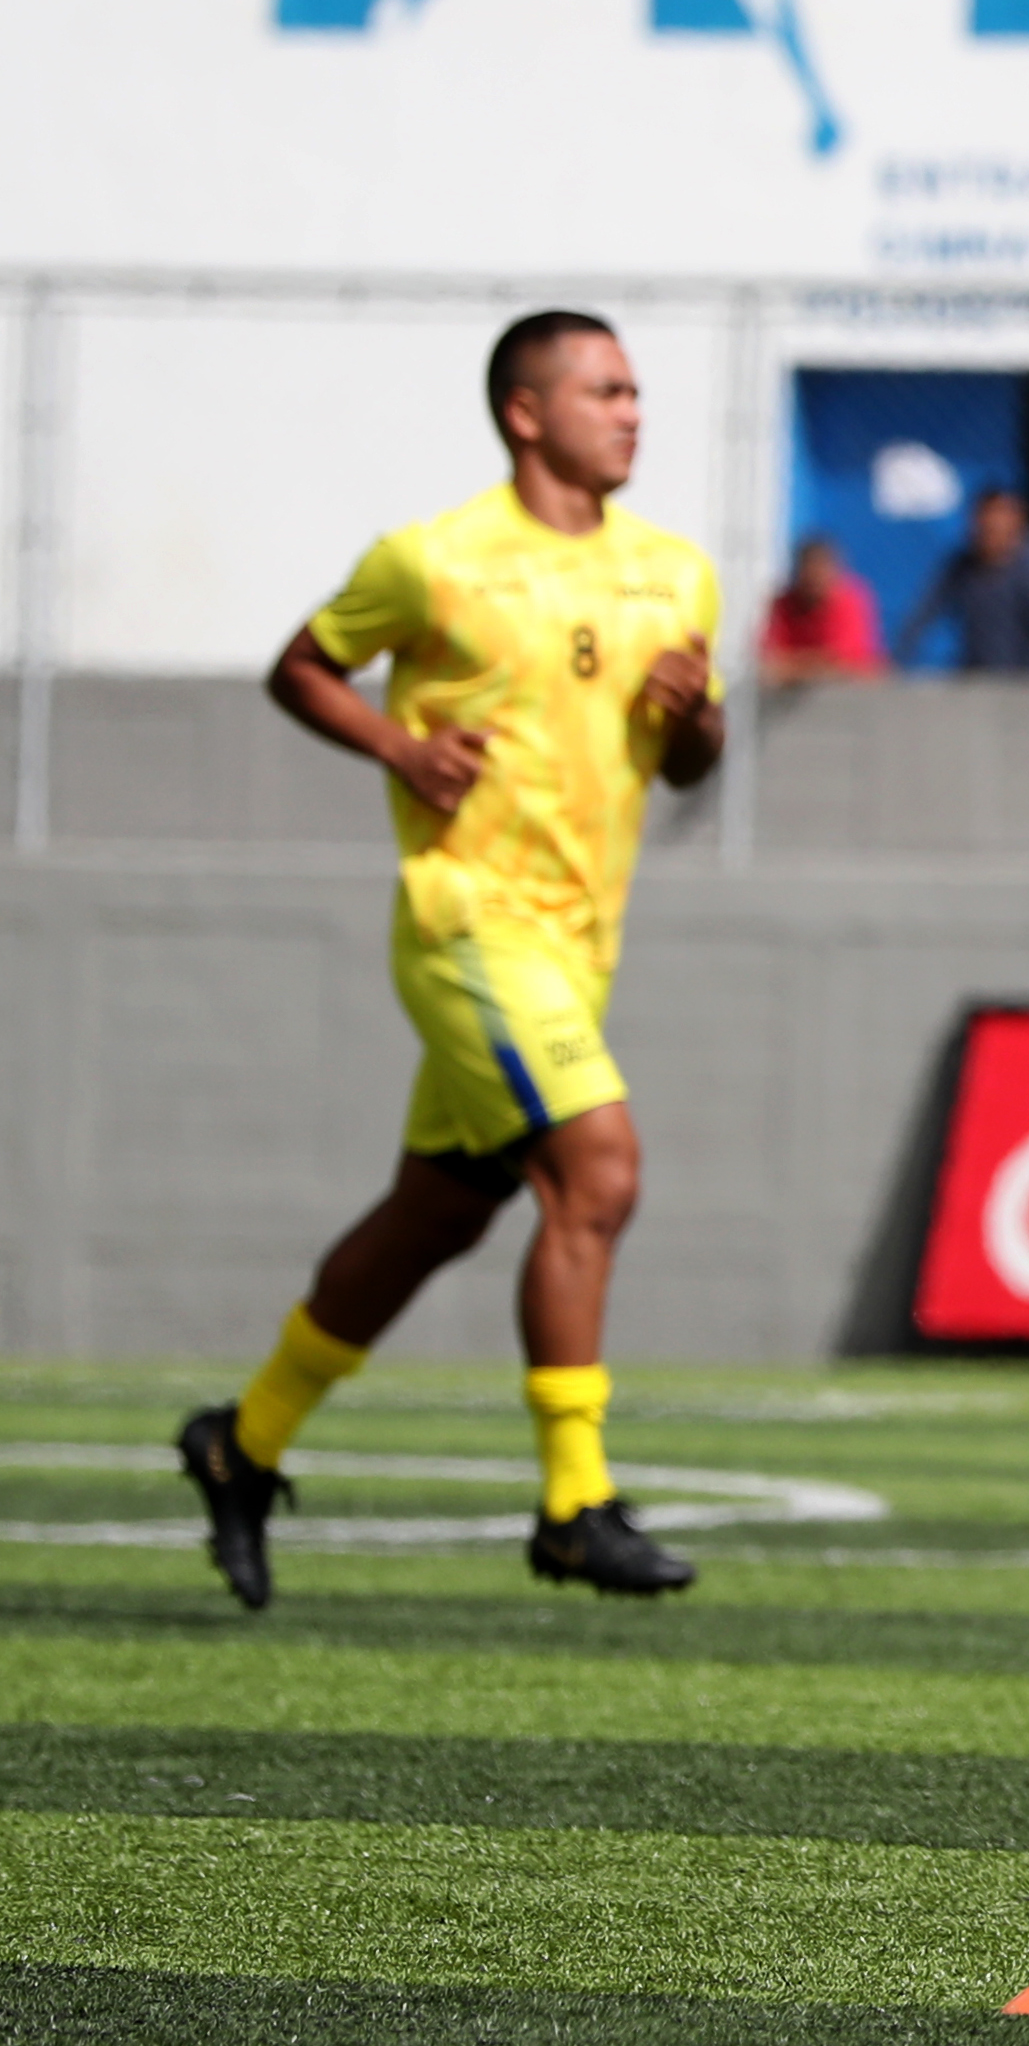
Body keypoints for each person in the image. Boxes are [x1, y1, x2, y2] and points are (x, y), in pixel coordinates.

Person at [176, 311, 726, 1608]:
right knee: (598, 1168)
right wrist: (399, 749)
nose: (633, 410)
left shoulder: (676, 573)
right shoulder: (434, 561)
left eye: (638, 390)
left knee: (437, 1216)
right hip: (467, 922)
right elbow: (302, 669)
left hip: (580, 947)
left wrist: (697, 717)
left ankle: (239, 1444)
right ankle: (573, 1503)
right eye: (606, 389)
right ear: (526, 413)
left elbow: (694, 758)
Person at [894, 485, 1029, 676]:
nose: (993, 531)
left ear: (1018, 523)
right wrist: (895, 662)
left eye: (1000, 525)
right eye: (987, 526)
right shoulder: (961, 565)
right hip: (979, 675)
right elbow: (923, 614)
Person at [758, 534, 886, 686]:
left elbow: (839, 664)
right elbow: (769, 662)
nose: (814, 577)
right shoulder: (784, 604)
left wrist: (795, 665)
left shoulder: (849, 600)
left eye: (820, 569)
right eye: (808, 569)